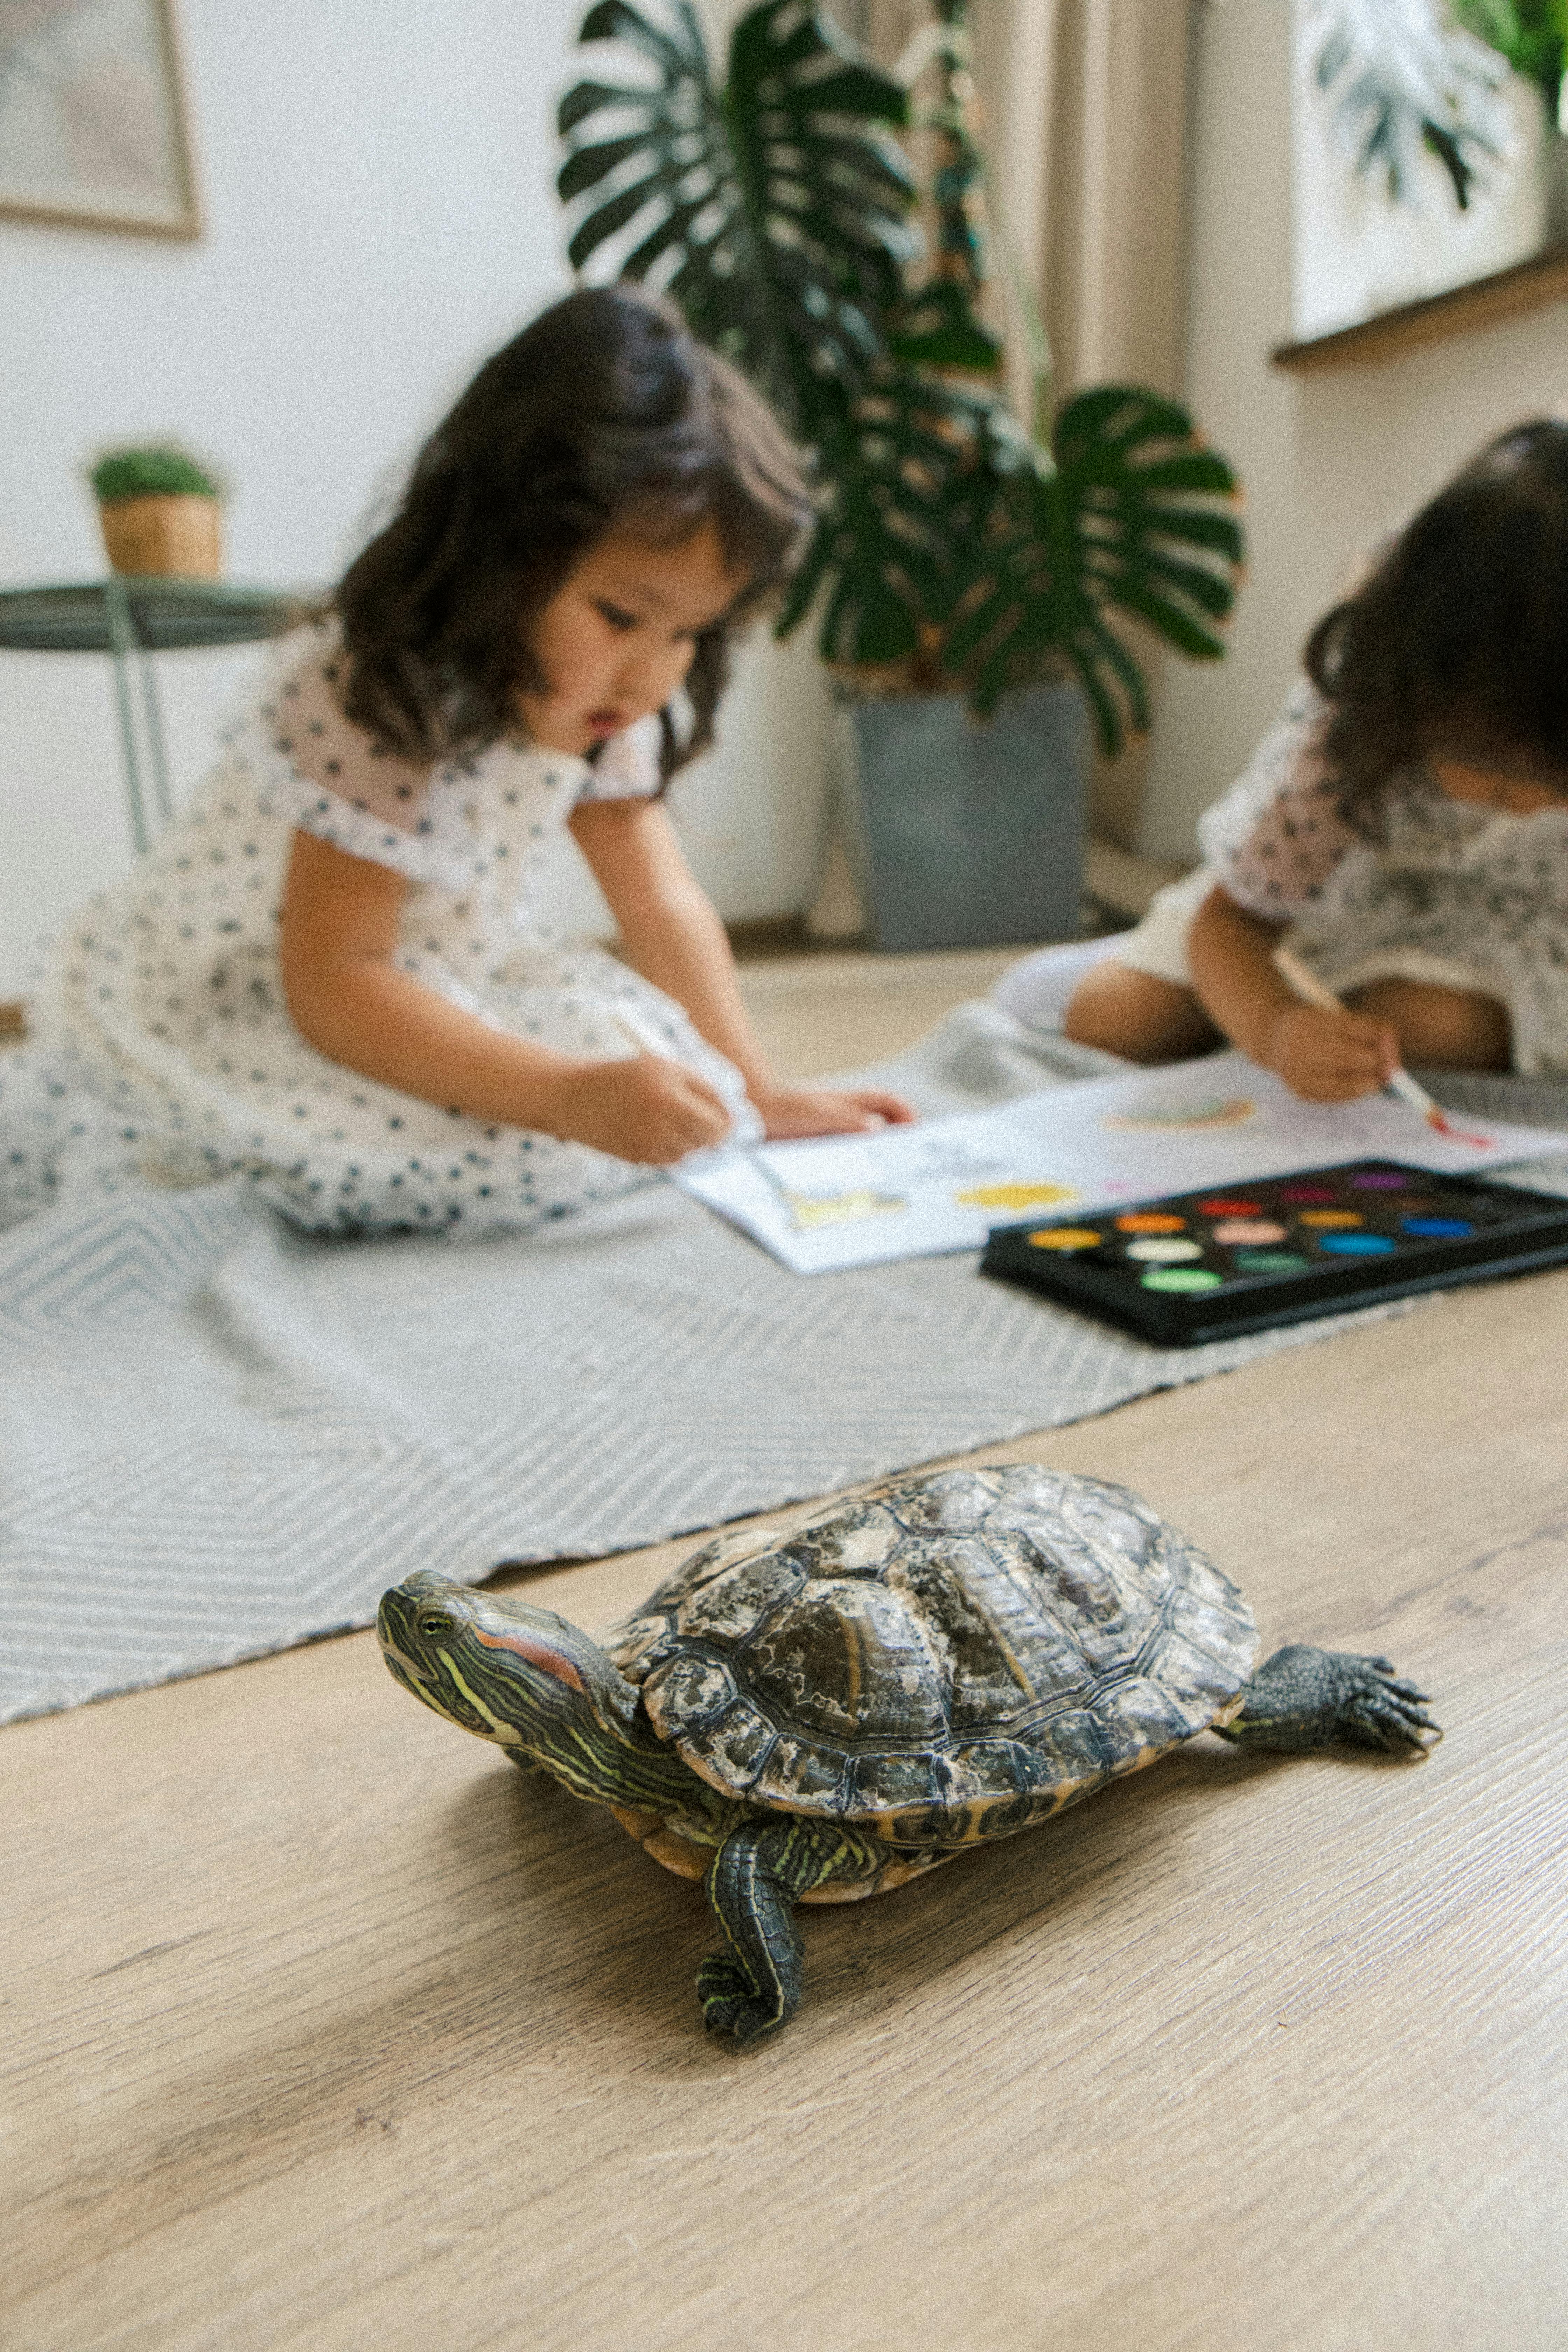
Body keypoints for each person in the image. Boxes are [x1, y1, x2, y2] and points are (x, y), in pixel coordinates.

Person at [4, 288, 911, 1235]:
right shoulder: (373, 688)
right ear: (506, 549)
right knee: (518, 1132)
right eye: (620, 615)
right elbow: (337, 981)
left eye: (692, 633)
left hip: (433, 978)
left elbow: (659, 901)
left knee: (670, 1072)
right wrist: (566, 1096)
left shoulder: (610, 692)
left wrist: (759, 1090)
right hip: (261, 995)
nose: (654, 672)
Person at [1012, 420, 1568, 1100]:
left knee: (1424, 1034)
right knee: (1110, 1020)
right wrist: (1276, 1028)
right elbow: (1233, 922)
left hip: (1511, 937)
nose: (1528, 802)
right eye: (1494, 769)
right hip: (1324, 905)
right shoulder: (1355, 727)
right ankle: (1167, 974)